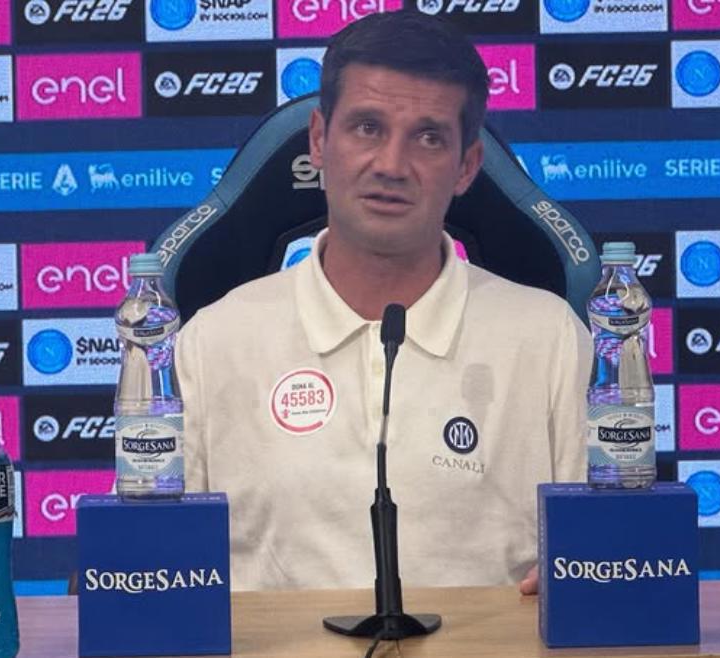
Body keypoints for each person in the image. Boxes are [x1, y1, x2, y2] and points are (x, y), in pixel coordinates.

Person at [176, 9, 591, 594]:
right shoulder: (212, 342)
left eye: (428, 137)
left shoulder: (549, 339)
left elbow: (604, 559)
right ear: (319, 141)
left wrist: (585, 574)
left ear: (466, 167)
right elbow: (162, 572)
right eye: (367, 127)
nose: (392, 165)